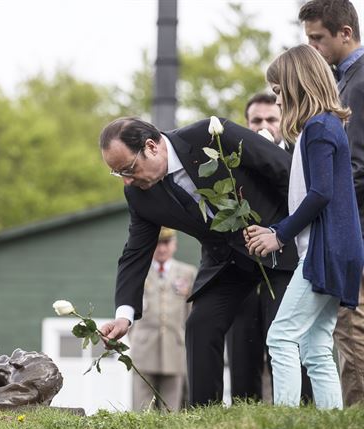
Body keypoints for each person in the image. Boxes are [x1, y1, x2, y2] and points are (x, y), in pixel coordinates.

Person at [97, 112, 298, 406]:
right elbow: (135, 252)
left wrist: (286, 232)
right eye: (119, 174)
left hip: (277, 244)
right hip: (227, 262)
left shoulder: (211, 136)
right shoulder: (140, 195)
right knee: (200, 325)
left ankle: (301, 407)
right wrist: (124, 314)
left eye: (128, 168)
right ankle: (204, 416)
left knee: (285, 329)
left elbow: (286, 172)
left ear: (152, 147)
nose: (127, 180)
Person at [246, 44, 363, 409]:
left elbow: (320, 194)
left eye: (280, 92)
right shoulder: (323, 126)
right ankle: (329, 423)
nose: (278, 102)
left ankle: (284, 419)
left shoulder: (319, 127)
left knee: (281, 336)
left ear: (298, 86)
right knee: (315, 344)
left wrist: (278, 233)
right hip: (337, 250)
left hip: (325, 252)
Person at [225, 93, 312, 403]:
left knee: (291, 348)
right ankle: (244, 414)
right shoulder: (232, 164)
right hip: (244, 268)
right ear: (246, 125)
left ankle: (298, 412)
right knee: (242, 352)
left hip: (288, 267)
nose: (264, 125)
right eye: (256, 121)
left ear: (282, 121)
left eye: (271, 119)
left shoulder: (300, 159)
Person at [299, 0, 364, 407]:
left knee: (351, 325)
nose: (313, 49)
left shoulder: (357, 83)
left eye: (317, 39)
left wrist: (337, 225)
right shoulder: (346, 80)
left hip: (356, 225)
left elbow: (355, 167)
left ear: (345, 33)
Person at [128, 227, 196, 411]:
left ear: (174, 244)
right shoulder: (138, 272)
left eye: (166, 243)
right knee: (141, 410)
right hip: (143, 348)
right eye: (157, 243)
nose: (162, 248)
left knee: (171, 410)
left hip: (174, 347)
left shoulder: (187, 273)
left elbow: (190, 312)